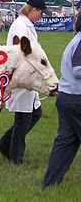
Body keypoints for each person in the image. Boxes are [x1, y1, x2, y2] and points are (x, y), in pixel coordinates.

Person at [0, 0, 47, 164]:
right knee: (23, 118)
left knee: (35, 113)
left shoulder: (26, 24)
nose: (41, 16)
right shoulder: (20, 27)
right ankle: (15, 157)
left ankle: (4, 142)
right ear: (34, 10)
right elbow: (20, 51)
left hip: (29, 76)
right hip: (22, 75)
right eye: (41, 12)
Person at [43, 15, 81, 188]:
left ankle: (50, 184)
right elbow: (78, 69)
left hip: (67, 97)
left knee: (66, 142)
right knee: (65, 142)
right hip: (77, 99)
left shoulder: (76, 39)